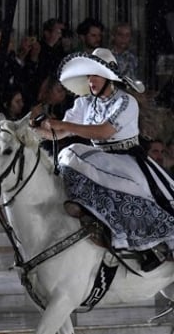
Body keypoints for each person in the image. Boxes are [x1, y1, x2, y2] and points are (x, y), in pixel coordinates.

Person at [32, 48, 174, 270]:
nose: (91, 81)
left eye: (95, 75)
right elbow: (59, 133)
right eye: (89, 76)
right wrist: (36, 129)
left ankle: (150, 247)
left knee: (72, 153)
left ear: (109, 77)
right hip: (99, 161)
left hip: (125, 162)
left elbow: (104, 132)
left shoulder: (126, 102)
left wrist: (63, 125)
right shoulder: (85, 103)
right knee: (68, 154)